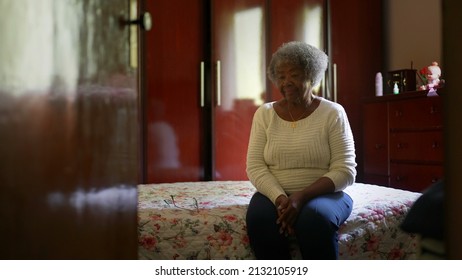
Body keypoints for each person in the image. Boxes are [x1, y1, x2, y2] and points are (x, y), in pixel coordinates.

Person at [245, 41, 357, 260]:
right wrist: (280, 198)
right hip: (274, 195)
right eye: (281, 76)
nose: (286, 82)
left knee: (314, 219)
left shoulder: (333, 113)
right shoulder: (264, 114)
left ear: (311, 76)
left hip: (324, 194)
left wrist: (301, 197)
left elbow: (345, 170)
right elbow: (255, 166)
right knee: (260, 219)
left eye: (294, 75)